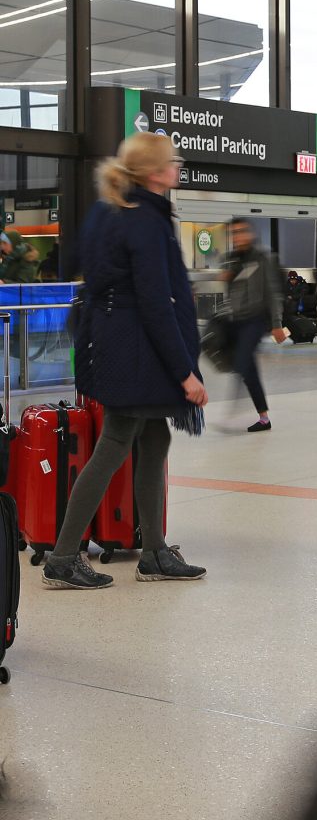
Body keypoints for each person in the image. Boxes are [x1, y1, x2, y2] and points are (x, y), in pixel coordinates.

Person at [42, 132, 208, 590]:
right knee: (114, 443)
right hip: (136, 351)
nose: (177, 167)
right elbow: (155, 302)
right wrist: (185, 373)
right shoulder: (145, 220)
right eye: (171, 161)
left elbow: (81, 266)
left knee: (154, 438)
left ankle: (154, 552)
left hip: (114, 341)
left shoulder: (111, 209)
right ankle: (62, 558)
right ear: (154, 172)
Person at [221, 218, 287, 433]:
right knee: (248, 369)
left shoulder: (261, 258)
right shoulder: (232, 259)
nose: (238, 236)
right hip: (237, 321)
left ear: (250, 233)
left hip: (256, 320)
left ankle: (237, 414)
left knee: (242, 362)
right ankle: (263, 418)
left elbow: (272, 293)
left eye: (241, 231)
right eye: (234, 233)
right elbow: (232, 293)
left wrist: (277, 324)